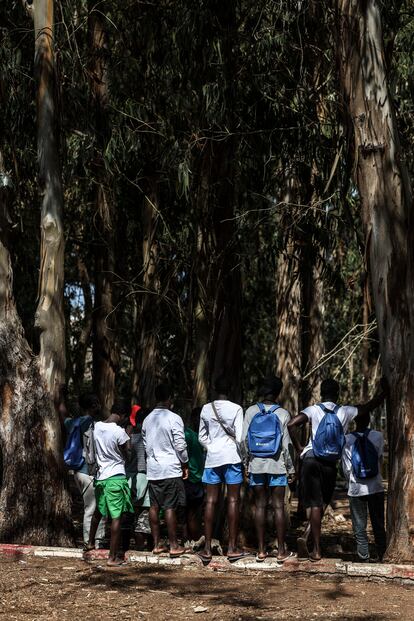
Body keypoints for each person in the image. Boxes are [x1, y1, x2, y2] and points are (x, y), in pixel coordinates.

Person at [287, 378, 386, 562]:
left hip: (310, 459)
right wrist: (384, 393)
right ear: (337, 393)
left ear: (322, 393)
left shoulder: (313, 409)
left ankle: (315, 548)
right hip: (330, 463)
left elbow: (291, 424)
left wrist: (300, 448)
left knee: (316, 504)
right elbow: (368, 407)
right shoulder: (345, 411)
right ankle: (310, 538)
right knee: (324, 501)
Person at [243, 376, 295, 562]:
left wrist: (246, 464)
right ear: (276, 393)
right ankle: (281, 551)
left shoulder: (250, 412)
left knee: (260, 506)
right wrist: (290, 469)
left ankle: (261, 550)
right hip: (277, 465)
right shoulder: (283, 414)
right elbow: (286, 444)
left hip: (256, 464)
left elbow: (243, 441)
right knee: (278, 506)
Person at [197, 376, 247, 563]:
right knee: (233, 500)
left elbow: (202, 436)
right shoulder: (236, 409)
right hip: (232, 457)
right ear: (231, 389)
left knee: (210, 501)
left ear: (214, 388)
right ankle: (232, 548)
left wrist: (210, 446)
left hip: (212, 458)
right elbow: (241, 437)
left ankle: (208, 548)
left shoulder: (206, 408)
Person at [142, 383, 189, 557]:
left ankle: (156, 544)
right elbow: (180, 445)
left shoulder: (147, 419)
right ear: (169, 398)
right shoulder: (173, 418)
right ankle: (173, 545)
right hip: (170, 468)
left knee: (154, 506)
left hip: (153, 469)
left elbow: (146, 445)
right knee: (170, 507)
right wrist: (185, 463)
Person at [86, 401, 134, 566]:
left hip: (100, 477)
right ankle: (112, 557)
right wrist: (128, 435)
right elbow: (128, 456)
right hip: (116, 477)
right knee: (116, 517)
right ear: (124, 416)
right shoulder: (119, 432)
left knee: (99, 511)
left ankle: (90, 542)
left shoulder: (96, 426)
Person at [63, 393, 106, 548]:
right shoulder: (91, 423)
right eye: (97, 403)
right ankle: (93, 542)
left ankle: (93, 541)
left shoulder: (73, 422)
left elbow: (63, 414)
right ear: (93, 406)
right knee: (94, 508)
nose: (99, 406)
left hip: (77, 471)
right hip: (88, 471)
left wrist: (61, 397)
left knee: (91, 507)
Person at [342, 412, 386, 562]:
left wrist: (352, 481)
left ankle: (363, 557)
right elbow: (379, 459)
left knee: (359, 527)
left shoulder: (347, 439)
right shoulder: (378, 436)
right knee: (378, 524)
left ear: (354, 421)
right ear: (369, 420)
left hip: (356, 489)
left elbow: (347, 468)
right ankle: (382, 555)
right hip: (376, 487)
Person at [184, 408, 205, 543]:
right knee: (190, 513)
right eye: (198, 418)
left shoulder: (201, 436)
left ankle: (190, 541)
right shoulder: (187, 434)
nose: (200, 421)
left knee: (193, 513)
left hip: (199, 479)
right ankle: (190, 540)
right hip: (189, 478)